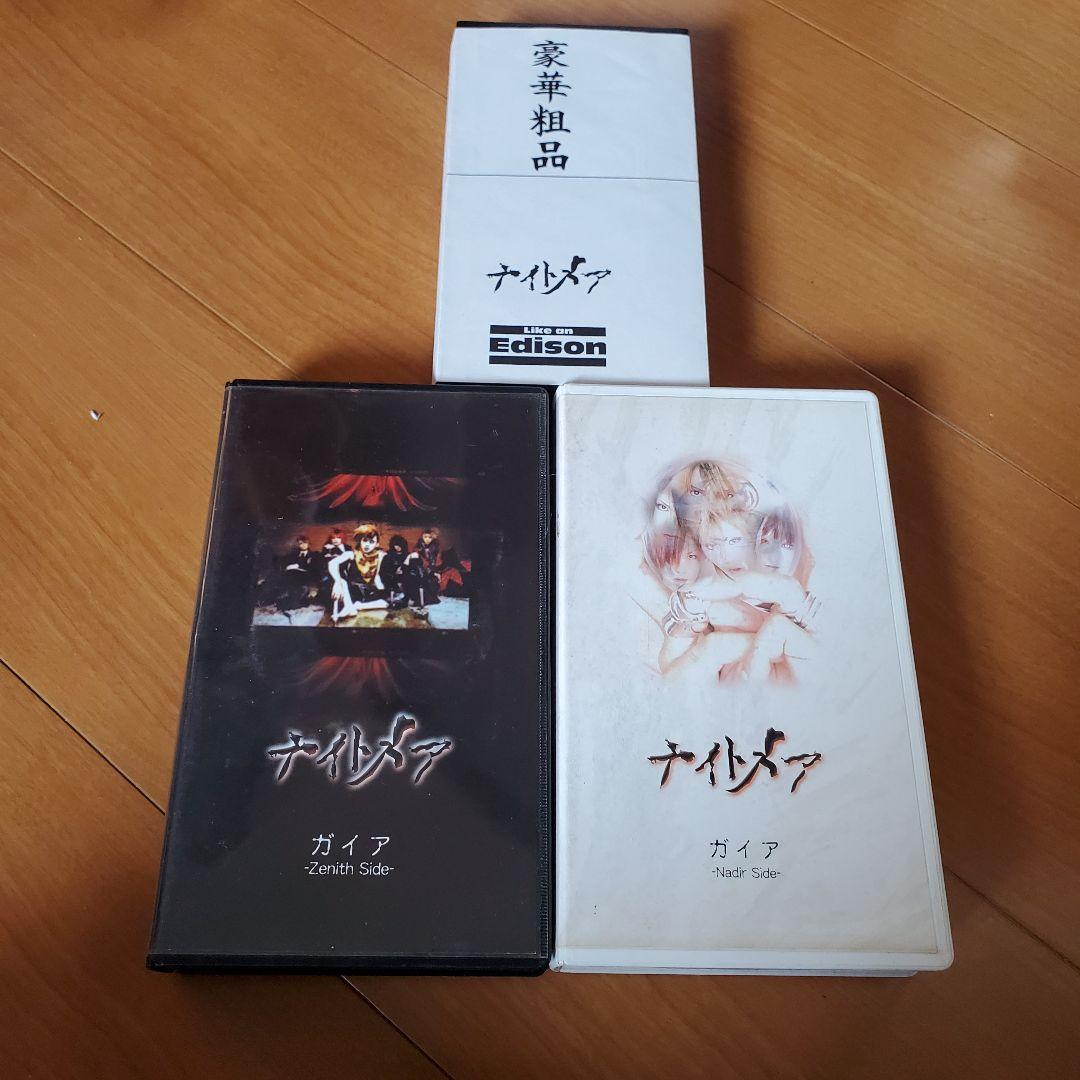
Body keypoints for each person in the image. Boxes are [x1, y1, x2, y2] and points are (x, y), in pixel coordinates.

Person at [327, 524, 393, 620]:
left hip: (371, 591)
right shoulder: (351, 554)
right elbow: (332, 563)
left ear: (377, 544)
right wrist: (337, 582)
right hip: (354, 592)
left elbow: (382, 584)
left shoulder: (381, 556)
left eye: (371, 542)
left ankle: (355, 607)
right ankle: (349, 606)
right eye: (365, 541)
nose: (367, 545)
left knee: (384, 602)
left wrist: (379, 564)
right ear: (360, 541)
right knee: (341, 581)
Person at [281, 535, 317, 610]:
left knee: (293, 574)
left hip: (307, 575)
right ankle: (293, 601)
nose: (303, 545)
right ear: (298, 544)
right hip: (294, 576)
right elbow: (287, 563)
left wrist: (298, 566)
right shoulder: (294, 554)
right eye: (301, 543)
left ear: (308, 544)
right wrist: (289, 566)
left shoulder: (313, 555)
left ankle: (294, 601)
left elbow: (313, 568)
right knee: (290, 574)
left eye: (305, 543)